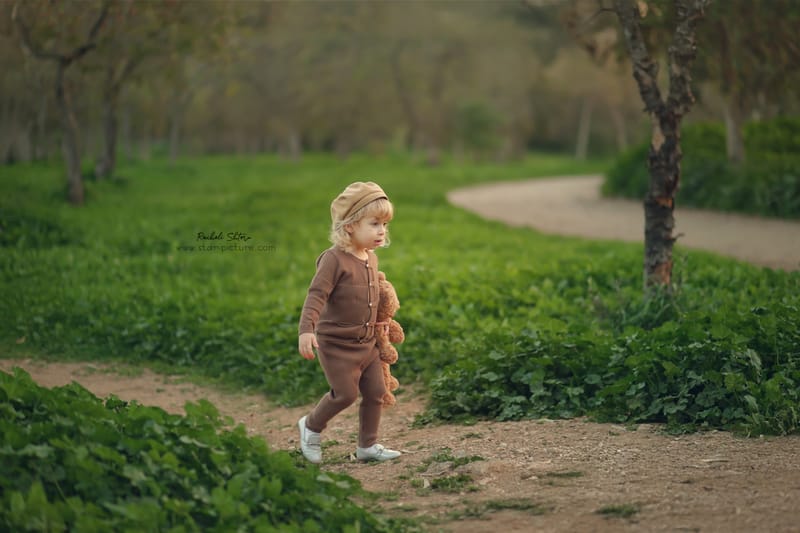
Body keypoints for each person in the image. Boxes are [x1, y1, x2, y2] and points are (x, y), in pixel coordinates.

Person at [297, 181, 402, 464]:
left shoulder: (371, 258)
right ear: (350, 226)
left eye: (385, 224)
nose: (382, 231)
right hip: (336, 345)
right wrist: (306, 330)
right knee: (344, 394)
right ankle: (310, 426)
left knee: (377, 392)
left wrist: (380, 324)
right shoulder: (333, 260)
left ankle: (367, 446)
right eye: (375, 223)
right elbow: (316, 295)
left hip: (366, 344)